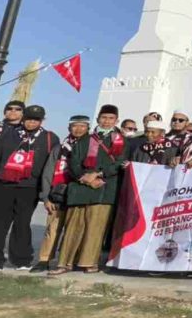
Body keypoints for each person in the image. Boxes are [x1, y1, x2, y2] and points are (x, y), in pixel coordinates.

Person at [0, 104, 60, 272]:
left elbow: (53, 166)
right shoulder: (9, 135)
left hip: (29, 188)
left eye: (35, 120)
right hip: (2, 185)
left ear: (42, 120)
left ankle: (21, 259)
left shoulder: (50, 138)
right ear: (23, 119)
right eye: (29, 119)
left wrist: (46, 191)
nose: (31, 123)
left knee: (22, 224)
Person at [51, 105, 125, 275]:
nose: (107, 121)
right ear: (98, 119)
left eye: (111, 118)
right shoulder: (84, 139)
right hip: (81, 187)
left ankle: (89, 262)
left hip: (104, 188)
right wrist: (84, 177)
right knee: (73, 227)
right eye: (104, 117)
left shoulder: (121, 140)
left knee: (95, 228)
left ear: (116, 120)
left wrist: (99, 174)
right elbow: (74, 161)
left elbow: (120, 162)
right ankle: (65, 262)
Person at [33, 115, 92, 272]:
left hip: (79, 193)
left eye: (82, 126)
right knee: (52, 229)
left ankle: (68, 261)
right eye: (75, 126)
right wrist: (45, 196)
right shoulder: (59, 148)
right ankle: (44, 259)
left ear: (88, 128)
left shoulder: (92, 148)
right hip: (58, 193)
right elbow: (48, 172)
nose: (78, 129)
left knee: (76, 230)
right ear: (69, 128)